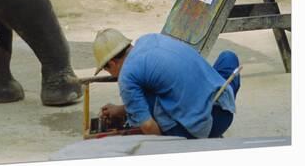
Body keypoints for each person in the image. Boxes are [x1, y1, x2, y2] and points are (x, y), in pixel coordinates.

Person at [93, 29, 241, 138]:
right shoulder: (149, 38)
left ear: (112, 63)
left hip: (207, 125)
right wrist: (122, 109)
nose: (113, 76)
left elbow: (148, 126)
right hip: (223, 105)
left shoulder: (126, 76)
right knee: (228, 58)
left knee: (145, 103)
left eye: (108, 71)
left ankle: (202, 133)